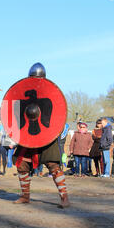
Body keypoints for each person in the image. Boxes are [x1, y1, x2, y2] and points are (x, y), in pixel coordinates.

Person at [11, 63, 70, 208]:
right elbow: (14, 111)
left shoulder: (48, 94)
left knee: (53, 166)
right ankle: (25, 196)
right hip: (27, 137)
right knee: (22, 165)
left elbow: (57, 114)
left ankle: (64, 197)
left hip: (46, 138)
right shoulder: (23, 99)